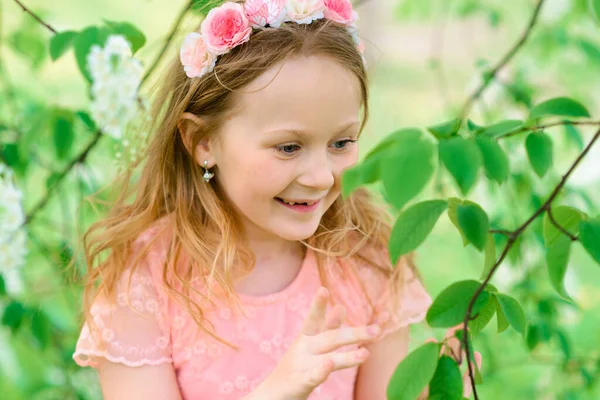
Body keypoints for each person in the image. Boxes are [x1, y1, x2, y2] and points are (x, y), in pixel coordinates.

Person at [72, 0, 477, 398]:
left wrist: (441, 382)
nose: (321, 177)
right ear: (202, 142)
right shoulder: (148, 284)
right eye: (288, 147)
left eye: (341, 142)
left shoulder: (365, 260)